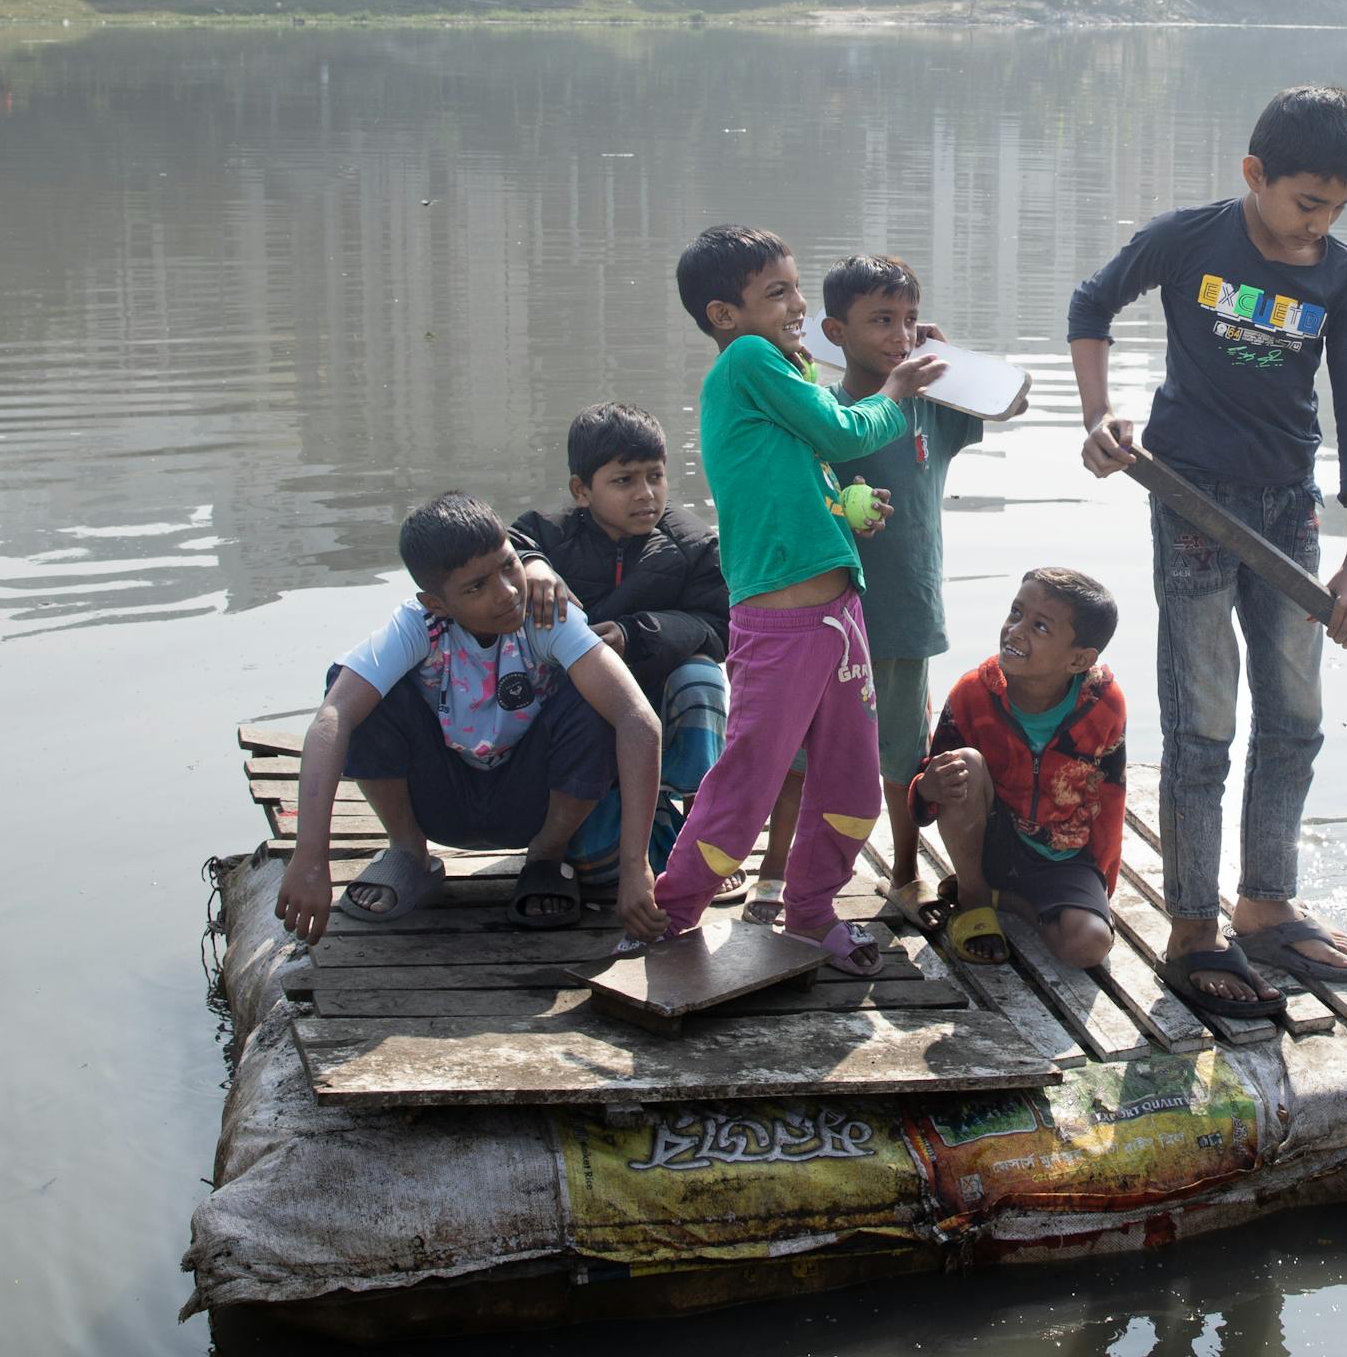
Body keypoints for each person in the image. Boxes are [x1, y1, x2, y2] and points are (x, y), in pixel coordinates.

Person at [1068, 84, 1347, 1022]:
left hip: (1289, 508)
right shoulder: (1190, 239)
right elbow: (1092, 306)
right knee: (1203, 724)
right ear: (1255, 174)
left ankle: (1266, 902)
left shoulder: (1344, 277)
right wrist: (1097, 414)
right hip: (1189, 499)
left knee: (1294, 717)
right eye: (1304, 203)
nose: (1315, 226)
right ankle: (1195, 923)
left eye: (1334, 210)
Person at [646, 224, 944, 971]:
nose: (795, 306)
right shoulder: (746, 360)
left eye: (795, 288)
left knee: (851, 784)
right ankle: (671, 915)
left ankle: (812, 913)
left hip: (839, 618)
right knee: (748, 778)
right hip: (781, 626)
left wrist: (845, 506)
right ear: (725, 316)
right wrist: (896, 391)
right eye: (775, 293)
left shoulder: (777, 371)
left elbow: (799, 467)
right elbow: (841, 432)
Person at [277, 495, 669, 942]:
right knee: (352, 686)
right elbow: (334, 717)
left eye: (508, 566)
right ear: (437, 603)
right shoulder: (418, 625)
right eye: (475, 587)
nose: (506, 593)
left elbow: (638, 720)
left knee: (595, 698)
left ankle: (546, 858)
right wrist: (310, 856)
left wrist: (637, 868)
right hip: (442, 801)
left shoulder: (544, 616)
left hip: (533, 805)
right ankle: (408, 853)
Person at [811, 253, 1032, 899]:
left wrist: (955, 360)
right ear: (835, 332)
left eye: (908, 320)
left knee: (903, 757)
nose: (900, 337)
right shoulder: (821, 410)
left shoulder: (932, 405)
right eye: (881, 320)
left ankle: (904, 872)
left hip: (906, 610)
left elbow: (1013, 401)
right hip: (827, 611)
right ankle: (789, 874)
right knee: (804, 753)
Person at [514, 403, 732, 817]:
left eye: (655, 476)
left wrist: (637, 634)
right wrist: (533, 565)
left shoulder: (694, 545)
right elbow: (502, 545)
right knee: (596, 864)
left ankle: (700, 817)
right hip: (581, 705)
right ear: (581, 490)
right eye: (623, 480)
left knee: (702, 677)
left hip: (659, 693)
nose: (645, 494)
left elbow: (721, 628)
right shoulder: (547, 533)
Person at [915, 569, 1131, 972]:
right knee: (963, 764)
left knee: (1088, 945)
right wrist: (925, 789)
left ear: (1079, 660)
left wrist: (1101, 887)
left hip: (1065, 858)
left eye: (1039, 626)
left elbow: (1111, 796)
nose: (1015, 631)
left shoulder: (1103, 703)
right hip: (990, 844)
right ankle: (975, 899)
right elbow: (929, 790)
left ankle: (1013, 903)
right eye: (1016, 613)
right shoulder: (972, 694)